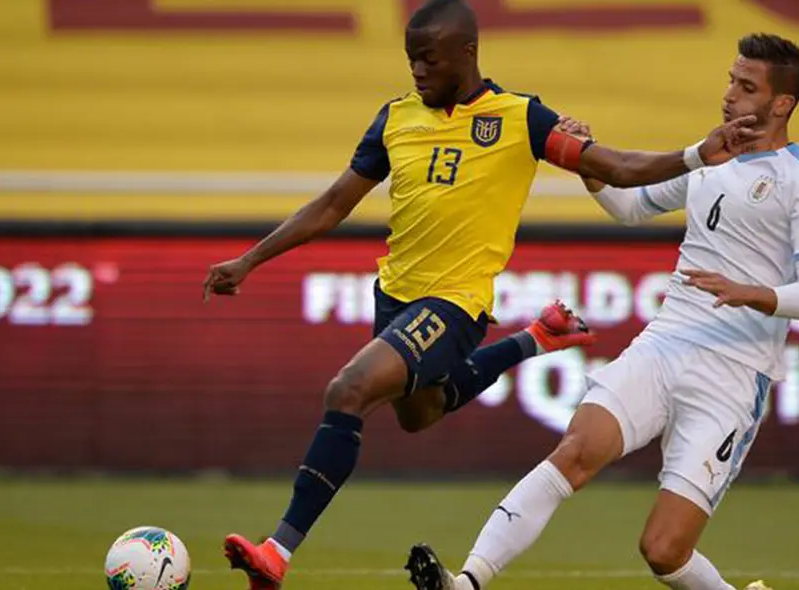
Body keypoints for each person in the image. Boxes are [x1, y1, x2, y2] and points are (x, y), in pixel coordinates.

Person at [202, 1, 761, 587]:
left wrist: (697, 154)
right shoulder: (394, 119)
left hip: (455, 304)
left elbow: (616, 166)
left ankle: (277, 552)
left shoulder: (521, 118)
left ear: (466, 52)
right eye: (411, 59)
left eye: (429, 59)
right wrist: (251, 259)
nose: (418, 70)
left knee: (348, 390)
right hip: (394, 296)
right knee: (421, 413)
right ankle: (533, 339)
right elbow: (333, 203)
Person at [405, 32, 799, 590]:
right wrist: (589, 163)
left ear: (782, 103)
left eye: (747, 87)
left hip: (734, 372)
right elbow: (631, 207)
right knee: (575, 451)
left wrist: (749, 292)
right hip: (666, 342)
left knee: (664, 552)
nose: (730, 95)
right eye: (731, 80)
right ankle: (466, 582)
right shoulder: (710, 157)